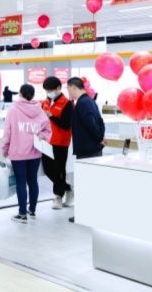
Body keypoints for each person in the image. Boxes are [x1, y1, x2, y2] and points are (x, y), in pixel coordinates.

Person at [2, 84, 51, 224]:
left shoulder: (13, 109)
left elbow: (7, 131)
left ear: (20, 94)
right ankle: (32, 211)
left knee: (21, 182)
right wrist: (42, 135)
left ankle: (22, 214)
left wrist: (5, 147)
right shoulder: (39, 109)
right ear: (33, 95)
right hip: (35, 152)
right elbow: (48, 130)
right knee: (33, 181)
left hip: (18, 152)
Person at [66, 77, 105, 223]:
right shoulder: (90, 101)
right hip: (92, 147)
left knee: (86, 183)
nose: (69, 92)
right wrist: (100, 137)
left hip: (87, 149)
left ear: (74, 87)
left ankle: (84, 214)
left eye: (68, 89)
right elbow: (100, 122)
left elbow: (91, 123)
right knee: (91, 182)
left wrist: (98, 137)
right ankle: (89, 213)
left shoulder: (82, 103)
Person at [41, 76, 74, 210]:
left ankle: (58, 196)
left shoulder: (67, 104)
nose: (48, 93)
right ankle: (67, 188)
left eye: (50, 90)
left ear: (58, 88)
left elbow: (66, 124)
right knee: (48, 169)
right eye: (46, 90)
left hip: (61, 142)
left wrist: (52, 117)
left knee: (59, 170)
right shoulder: (46, 102)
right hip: (46, 141)